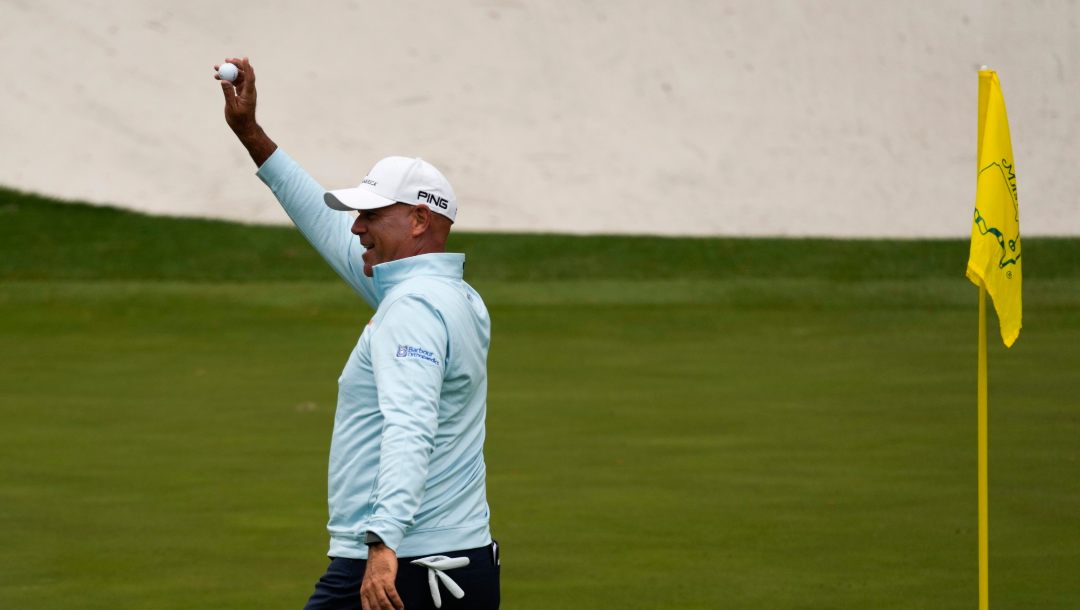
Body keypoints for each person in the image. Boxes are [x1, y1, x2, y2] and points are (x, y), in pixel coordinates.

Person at [214, 57, 499, 610]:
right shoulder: (451, 296)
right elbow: (324, 225)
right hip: (459, 560)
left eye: (371, 215)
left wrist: (383, 543)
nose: (356, 225)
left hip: (405, 568)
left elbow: (410, 424)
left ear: (419, 221)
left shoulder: (412, 307)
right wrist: (251, 134)